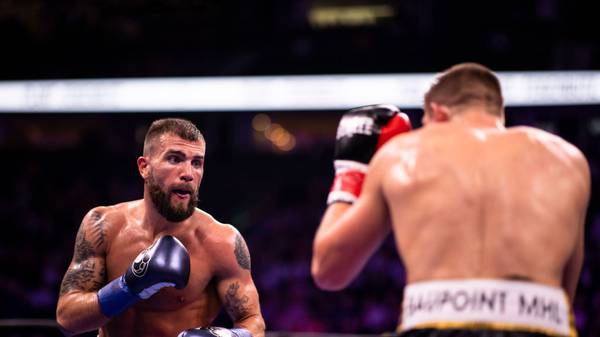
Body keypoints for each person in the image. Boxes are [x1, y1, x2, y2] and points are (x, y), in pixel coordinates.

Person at [311, 63, 590, 337]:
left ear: (437, 112)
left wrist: (351, 171)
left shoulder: (404, 153)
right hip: (541, 320)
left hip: (435, 320)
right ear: (497, 112)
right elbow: (564, 292)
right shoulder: (568, 160)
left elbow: (328, 270)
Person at [56, 118, 265, 337]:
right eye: (175, 159)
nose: (188, 173)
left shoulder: (223, 242)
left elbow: (254, 323)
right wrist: (129, 286)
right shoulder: (102, 225)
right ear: (144, 167)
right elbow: (66, 319)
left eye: (197, 162)